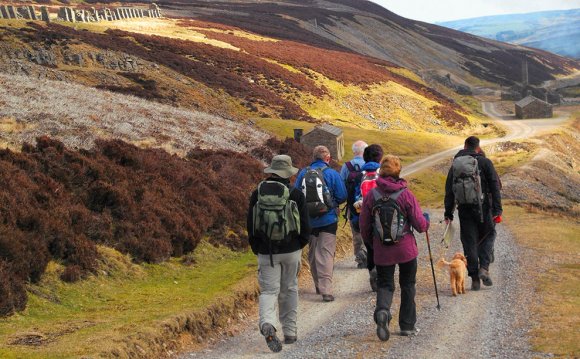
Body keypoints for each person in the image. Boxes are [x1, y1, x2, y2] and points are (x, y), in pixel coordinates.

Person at [359, 155, 430, 341]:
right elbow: (421, 225)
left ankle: (383, 312)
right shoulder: (406, 194)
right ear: (399, 171)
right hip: (406, 249)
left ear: (380, 172)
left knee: (385, 284)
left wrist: (372, 244)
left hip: (382, 250)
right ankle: (407, 326)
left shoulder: (371, 196)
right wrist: (427, 221)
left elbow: (364, 226)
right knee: (408, 285)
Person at [247, 155, 311, 352]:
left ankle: (267, 323)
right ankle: (290, 332)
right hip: (291, 250)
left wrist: (257, 248)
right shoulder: (296, 194)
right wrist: (299, 244)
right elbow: (306, 227)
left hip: (267, 251)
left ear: (272, 172)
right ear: (288, 173)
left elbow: (250, 225)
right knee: (289, 288)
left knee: (268, 291)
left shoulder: (257, 193)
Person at [444, 136, 502, 290]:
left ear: (465, 146)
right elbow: (495, 186)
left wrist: (448, 213)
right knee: (489, 235)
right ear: (478, 147)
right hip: (484, 208)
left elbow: (449, 190)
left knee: (469, 242)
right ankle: (484, 268)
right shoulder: (485, 162)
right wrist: (497, 210)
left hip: (464, 209)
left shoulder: (456, 165)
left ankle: (474, 278)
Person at [295, 146, 347, 302]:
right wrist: (332, 205)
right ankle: (326, 290)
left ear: (313, 157)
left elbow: (297, 195)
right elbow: (342, 195)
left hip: (309, 221)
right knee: (325, 253)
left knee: (313, 253)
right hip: (328, 220)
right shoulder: (332, 174)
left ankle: (318, 285)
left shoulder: (303, 173)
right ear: (327, 158)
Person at [353, 144, 383, 291]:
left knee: (370, 249)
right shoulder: (384, 173)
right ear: (380, 158)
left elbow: (354, 196)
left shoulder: (359, 175)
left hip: (364, 216)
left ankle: (373, 274)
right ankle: (384, 276)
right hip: (383, 217)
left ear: (364, 157)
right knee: (384, 246)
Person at [340, 140, 368, 268]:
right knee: (369, 229)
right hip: (369, 205)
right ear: (365, 152)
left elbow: (341, 185)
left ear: (353, 152)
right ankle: (369, 254)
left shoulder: (347, 166)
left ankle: (360, 258)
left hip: (353, 205)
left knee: (356, 232)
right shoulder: (369, 165)